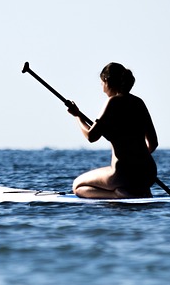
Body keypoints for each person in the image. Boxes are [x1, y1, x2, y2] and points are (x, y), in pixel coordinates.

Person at [67, 62, 158, 198]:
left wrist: (78, 116)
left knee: (77, 186)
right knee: (133, 180)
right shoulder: (138, 102)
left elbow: (91, 136)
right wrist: (137, 160)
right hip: (148, 172)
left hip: (122, 175)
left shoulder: (113, 102)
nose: (102, 88)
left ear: (107, 81)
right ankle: (139, 190)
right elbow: (153, 143)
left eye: (101, 83)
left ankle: (118, 194)